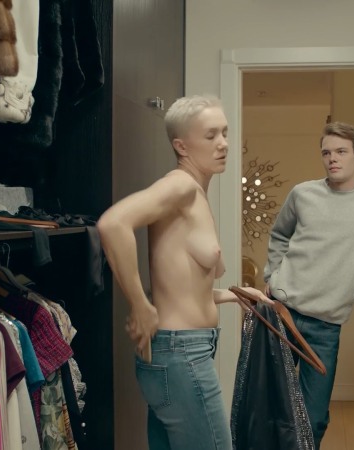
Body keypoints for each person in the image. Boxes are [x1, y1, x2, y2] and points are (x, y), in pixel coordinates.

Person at [97, 94, 269, 450]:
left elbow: (184, 287)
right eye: (210, 135)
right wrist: (139, 305)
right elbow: (113, 224)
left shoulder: (195, 194)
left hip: (177, 353)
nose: (223, 143)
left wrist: (233, 295)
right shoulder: (181, 186)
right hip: (181, 355)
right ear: (181, 146)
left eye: (225, 132)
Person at [264, 121, 354, 449]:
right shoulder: (303, 194)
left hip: (325, 327)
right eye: (326, 153)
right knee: (270, 410)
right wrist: (272, 276)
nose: (332, 158)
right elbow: (279, 235)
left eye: (341, 152)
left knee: (314, 417)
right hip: (282, 313)